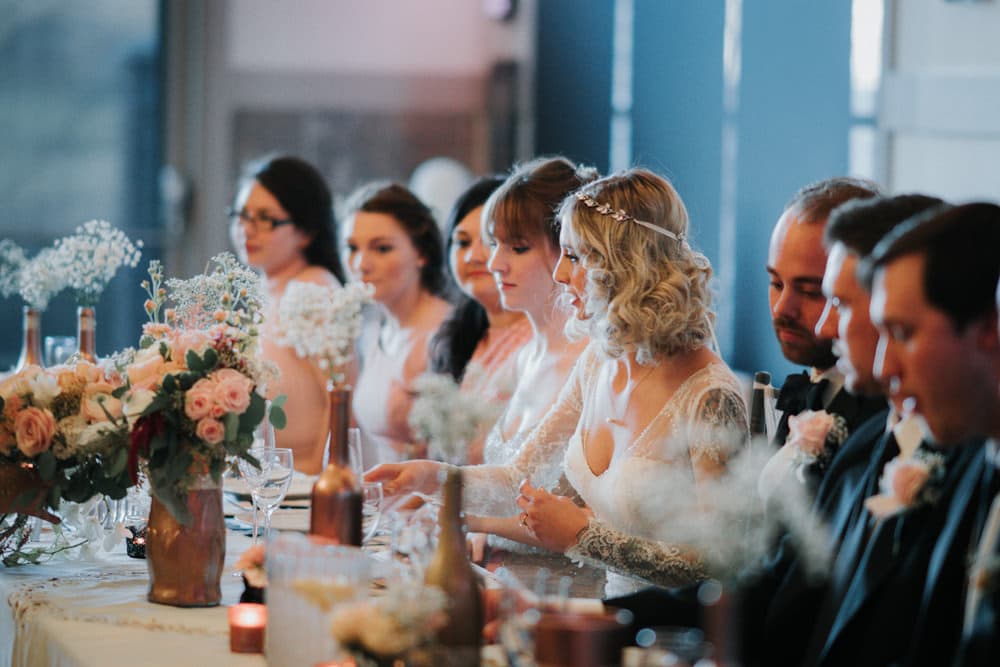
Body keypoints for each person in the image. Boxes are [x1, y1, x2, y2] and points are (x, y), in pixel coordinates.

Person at [373, 168, 748, 596]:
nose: (560, 275)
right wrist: (430, 478)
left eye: (574, 256)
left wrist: (583, 536)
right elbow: (518, 478)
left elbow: (721, 561)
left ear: (625, 264)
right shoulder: (598, 361)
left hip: (666, 626)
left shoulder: (710, 396)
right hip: (602, 615)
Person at [801, 202, 1000, 667]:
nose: (885, 366)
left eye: (903, 332)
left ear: (989, 328)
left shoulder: (964, 464)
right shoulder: (982, 467)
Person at [370, 156, 595, 540]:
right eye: (495, 245)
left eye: (517, 248)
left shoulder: (591, 362)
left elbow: (587, 520)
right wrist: (428, 479)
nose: (494, 264)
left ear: (567, 251)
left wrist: (471, 522)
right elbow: (509, 481)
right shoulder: (523, 356)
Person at [229, 155, 345, 473]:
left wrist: (322, 486)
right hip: (267, 481)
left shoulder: (314, 289)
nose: (246, 230)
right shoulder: (267, 289)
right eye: (241, 215)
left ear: (305, 232)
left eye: (266, 219)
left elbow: (339, 405)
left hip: (304, 484)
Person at [766, 178, 885, 449]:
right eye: (776, 284)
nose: (781, 308)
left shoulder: (881, 418)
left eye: (811, 292)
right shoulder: (806, 393)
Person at [342, 183, 453, 468]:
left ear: (421, 253)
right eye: (352, 248)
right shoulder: (372, 329)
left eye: (381, 248)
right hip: (377, 489)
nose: (361, 264)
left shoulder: (444, 334)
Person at [427, 176, 533, 464]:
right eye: (462, 242)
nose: (473, 256)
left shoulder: (535, 343)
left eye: (489, 241)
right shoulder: (460, 334)